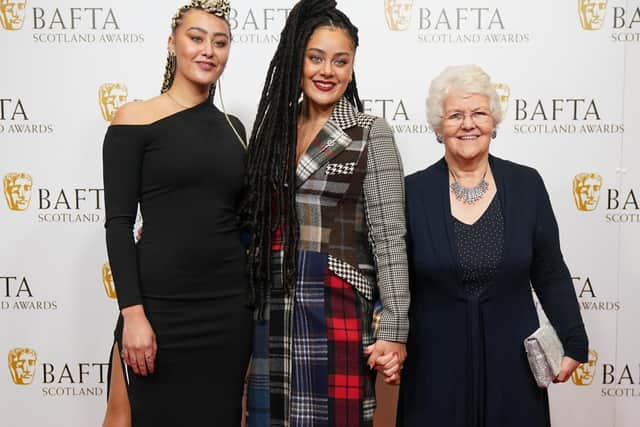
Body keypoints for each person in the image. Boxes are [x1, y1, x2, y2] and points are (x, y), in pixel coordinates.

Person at [242, 1, 409, 425]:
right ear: (297, 60)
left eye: (341, 61)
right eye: (316, 58)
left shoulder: (370, 132)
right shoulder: (272, 132)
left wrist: (394, 329)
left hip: (337, 308)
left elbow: (390, 238)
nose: (327, 71)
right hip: (272, 308)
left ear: (352, 67)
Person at [397, 64, 588, 427]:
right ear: (439, 127)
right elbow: (393, 281)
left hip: (514, 369)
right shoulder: (412, 192)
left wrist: (574, 340)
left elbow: (551, 273)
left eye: (479, 113)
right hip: (434, 371)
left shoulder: (526, 184)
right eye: (455, 115)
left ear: (494, 122)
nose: (468, 124)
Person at [101, 1, 252, 425]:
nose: (209, 50)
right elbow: (118, 223)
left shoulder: (234, 129)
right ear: (172, 44)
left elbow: (240, 218)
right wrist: (133, 314)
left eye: (220, 42)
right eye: (196, 38)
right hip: (159, 308)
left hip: (227, 310)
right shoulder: (134, 118)